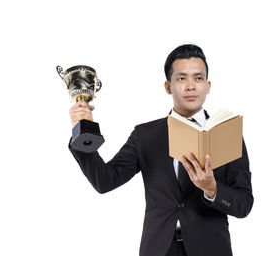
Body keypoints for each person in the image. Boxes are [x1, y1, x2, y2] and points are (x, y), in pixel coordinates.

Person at [68, 44, 253, 256]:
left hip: (211, 248)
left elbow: (244, 204)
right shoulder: (145, 135)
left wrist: (212, 189)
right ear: (168, 86)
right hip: (158, 249)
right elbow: (105, 181)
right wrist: (81, 133)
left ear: (208, 85)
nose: (191, 86)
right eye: (182, 78)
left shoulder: (227, 134)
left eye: (198, 78)